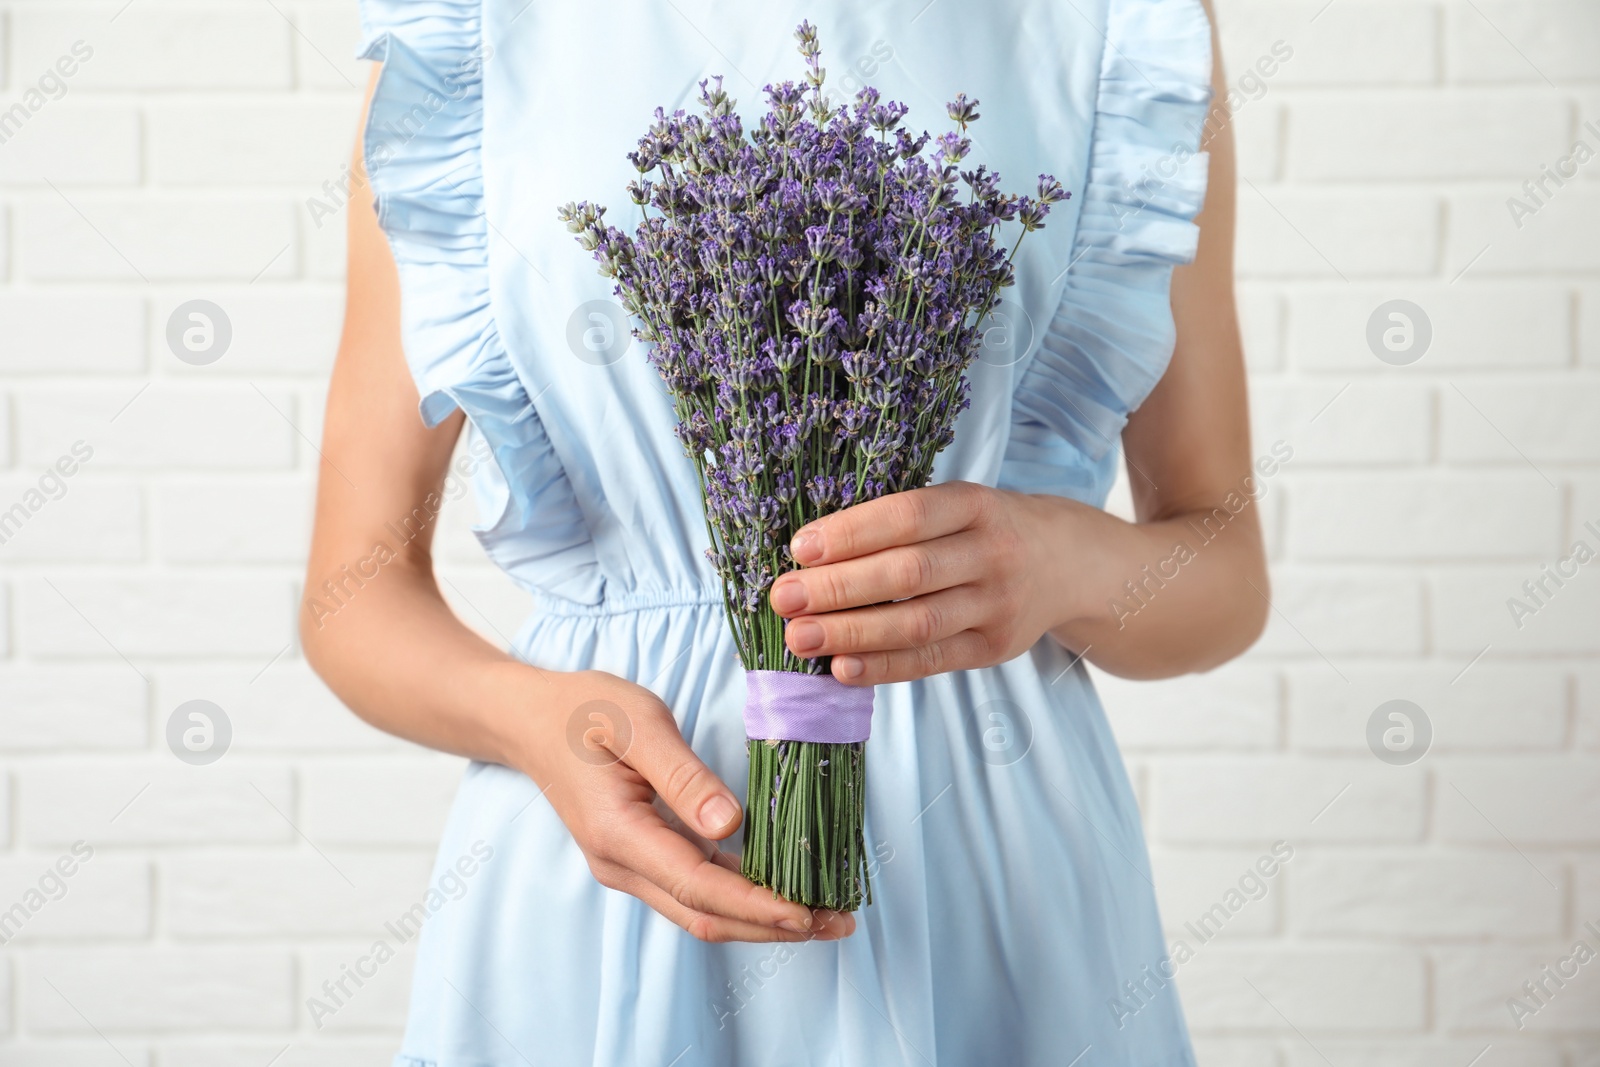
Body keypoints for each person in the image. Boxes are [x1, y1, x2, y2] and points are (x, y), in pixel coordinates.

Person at [303, 0, 1264, 1062]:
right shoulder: (471, 32)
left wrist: (1060, 560)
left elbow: (1222, 572)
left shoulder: (1117, 24)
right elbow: (355, 588)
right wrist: (537, 720)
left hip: (993, 866)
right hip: (613, 855)